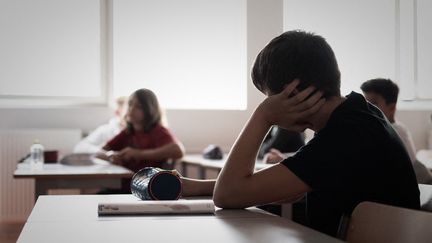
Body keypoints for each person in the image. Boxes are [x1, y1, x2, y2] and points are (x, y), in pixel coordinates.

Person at [181, 30, 420, 237]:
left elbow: (227, 195)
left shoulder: (346, 135)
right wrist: (198, 187)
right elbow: (260, 188)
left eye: (270, 99)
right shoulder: (355, 117)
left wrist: (263, 116)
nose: (271, 107)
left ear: (292, 93)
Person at [97, 88, 184, 192]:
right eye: (130, 104)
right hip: (123, 186)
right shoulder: (128, 132)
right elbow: (98, 152)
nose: (131, 109)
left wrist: (139, 154)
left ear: (150, 110)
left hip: (146, 190)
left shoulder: (158, 131)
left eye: (139, 107)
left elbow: (178, 150)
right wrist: (110, 155)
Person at [361, 78, 432, 184]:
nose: (367, 109)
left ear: (391, 108)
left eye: (373, 104)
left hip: (422, 181)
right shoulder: (380, 128)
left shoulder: (396, 131)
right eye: (365, 104)